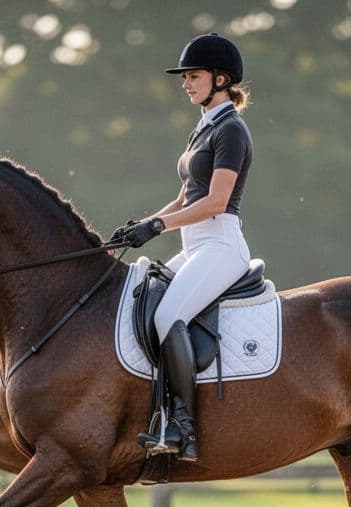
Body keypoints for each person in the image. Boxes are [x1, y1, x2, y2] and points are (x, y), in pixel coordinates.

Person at [113, 32, 254, 463]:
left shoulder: (231, 130)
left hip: (221, 245)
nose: (186, 84)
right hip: (195, 245)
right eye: (186, 77)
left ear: (221, 78)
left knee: (168, 313)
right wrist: (143, 223)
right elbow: (184, 199)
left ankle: (183, 427)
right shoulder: (204, 128)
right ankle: (154, 410)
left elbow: (213, 202)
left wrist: (157, 226)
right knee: (137, 298)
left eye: (193, 76)